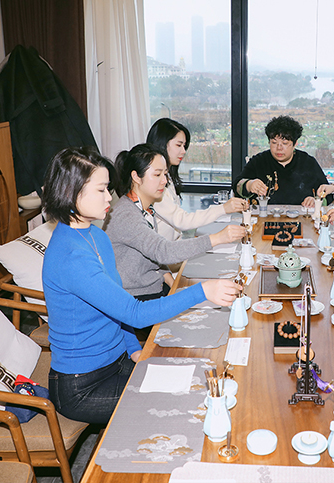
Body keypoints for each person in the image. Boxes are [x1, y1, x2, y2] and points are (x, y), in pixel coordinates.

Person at [42, 147, 240, 425]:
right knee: (180, 403)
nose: (109, 197)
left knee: (197, 377)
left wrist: (133, 347)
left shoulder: (96, 236)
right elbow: (134, 312)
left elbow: (117, 304)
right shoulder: (70, 257)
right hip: (81, 385)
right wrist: (203, 291)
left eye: (108, 188)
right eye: (100, 190)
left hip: (117, 360)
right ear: (70, 193)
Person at [104, 143, 247, 299]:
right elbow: (163, 251)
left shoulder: (146, 208)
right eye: (157, 175)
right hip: (136, 298)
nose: (164, 181)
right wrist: (218, 238)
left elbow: (152, 254)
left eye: (165, 174)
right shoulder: (126, 214)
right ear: (136, 177)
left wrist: (171, 282)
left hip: (154, 287)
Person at [147, 118, 247, 241]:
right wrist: (223, 208)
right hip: (165, 251)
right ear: (162, 143)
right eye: (178, 145)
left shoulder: (168, 177)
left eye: (184, 146)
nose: (183, 151)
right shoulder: (152, 183)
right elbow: (182, 220)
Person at [232, 115, 332, 207]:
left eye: (285, 143)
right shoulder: (259, 161)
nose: (279, 148)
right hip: (264, 217)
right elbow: (236, 186)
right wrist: (249, 185)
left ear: (295, 143)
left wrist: (316, 201)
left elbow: (328, 195)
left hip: (301, 218)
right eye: (274, 142)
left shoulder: (308, 163)